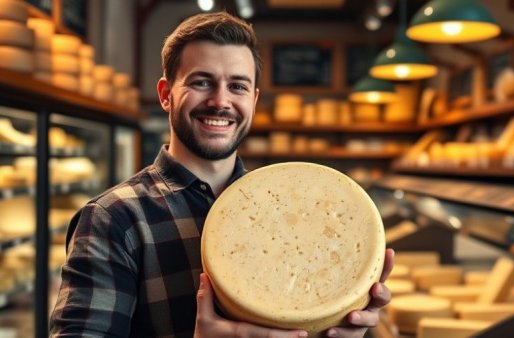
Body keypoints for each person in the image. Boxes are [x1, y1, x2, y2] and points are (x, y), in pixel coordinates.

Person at [49, 11, 394, 338]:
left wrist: (339, 326)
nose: (220, 101)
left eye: (238, 86)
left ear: (254, 100)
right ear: (166, 95)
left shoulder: (282, 208)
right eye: (202, 82)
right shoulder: (114, 219)